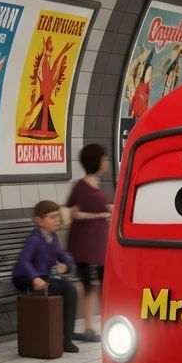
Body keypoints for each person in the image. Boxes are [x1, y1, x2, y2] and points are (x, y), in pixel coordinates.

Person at [12, 201, 79, 353]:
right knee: (60, 288)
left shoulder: (53, 237)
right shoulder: (34, 239)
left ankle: (67, 338)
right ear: (39, 220)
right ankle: (60, 336)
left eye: (58, 216)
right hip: (24, 278)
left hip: (43, 277)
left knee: (70, 289)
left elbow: (64, 256)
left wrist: (66, 265)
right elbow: (24, 261)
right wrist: (35, 278)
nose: (57, 220)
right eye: (52, 217)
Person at [66, 143, 112, 343]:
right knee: (88, 285)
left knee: (103, 285)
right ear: (96, 161)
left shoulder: (98, 184)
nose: (106, 162)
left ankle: (103, 324)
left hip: (99, 242)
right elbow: (71, 212)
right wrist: (99, 215)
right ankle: (88, 327)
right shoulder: (81, 186)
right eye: (104, 159)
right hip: (84, 243)